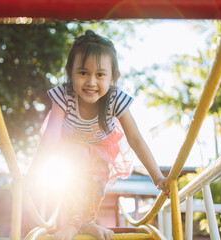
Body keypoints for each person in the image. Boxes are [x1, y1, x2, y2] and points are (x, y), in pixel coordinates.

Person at [26, 30, 169, 240]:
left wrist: (157, 177)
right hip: (69, 144)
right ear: (70, 73)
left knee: (96, 180)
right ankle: (73, 224)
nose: (91, 82)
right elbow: (50, 137)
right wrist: (33, 173)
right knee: (74, 171)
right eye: (83, 73)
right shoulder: (64, 95)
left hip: (101, 146)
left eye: (100, 74)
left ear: (113, 78)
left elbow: (135, 138)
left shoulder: (115, 99)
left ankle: (86, 222)